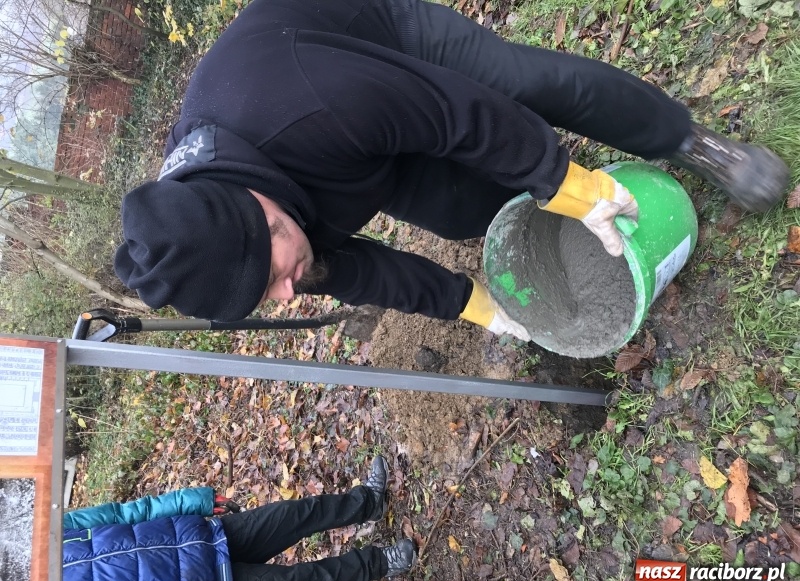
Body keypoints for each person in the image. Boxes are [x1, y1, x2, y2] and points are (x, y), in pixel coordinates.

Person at [113, 0, 789, 340]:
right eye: (269, 297)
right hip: (353, 155)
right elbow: (358, 272)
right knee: (469, 210)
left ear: (261, 212)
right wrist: (477, 307)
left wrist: (566, 183)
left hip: (376, 39)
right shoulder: (241, 248)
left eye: (275, 279)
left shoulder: (305, 104)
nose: (288, 294)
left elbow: (454, 113)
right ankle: (570, 193)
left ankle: (691, 142)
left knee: (533, 85)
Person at [62, 456, 415, 581]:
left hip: (199, 538)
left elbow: (127, 514)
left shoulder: (47, 530)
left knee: (294, 514)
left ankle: (369, 502)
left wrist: (194, 501)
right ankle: (382, 563)